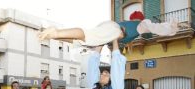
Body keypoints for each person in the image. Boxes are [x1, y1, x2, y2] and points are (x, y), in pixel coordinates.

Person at [38, 11, 178, 48]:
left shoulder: (131, 28)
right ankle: (56, 32)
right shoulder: (141, 24)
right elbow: (154, 27)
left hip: (109, 28)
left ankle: (54, 36)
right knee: (87, 35)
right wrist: (171, 28)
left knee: (83, 41)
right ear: (139, 19)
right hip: (114, 30)